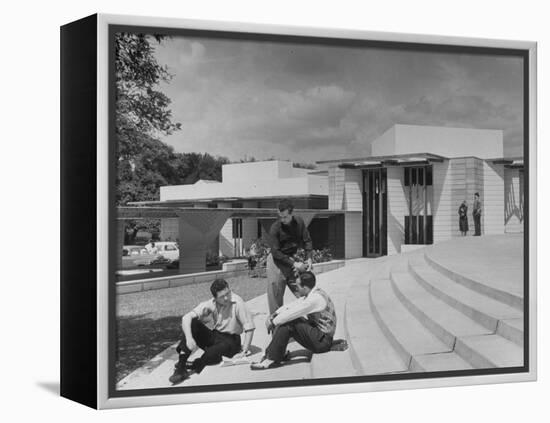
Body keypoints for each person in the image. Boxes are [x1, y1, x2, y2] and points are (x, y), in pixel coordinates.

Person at [168, 279, 255, 384]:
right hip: (216, 335)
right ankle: (181, 368)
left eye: (228, 293)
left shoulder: (237, 302)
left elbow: (249, 327)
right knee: (193, 323)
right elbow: (186, 318)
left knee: (211, 353)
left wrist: (244, 350)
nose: (226, 298)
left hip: (232, 341)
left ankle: (194, 364)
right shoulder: (211, 303)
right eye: (222, 297)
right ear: (215, 298)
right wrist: (190, 339)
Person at [251, 271, 336, 370]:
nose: (296, 289)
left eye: (298, 287)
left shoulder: (314, 299)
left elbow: (293, 313)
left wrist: (273, 322)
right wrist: (274, 315)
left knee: (290, 322)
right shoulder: (314, 292)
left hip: (322, 342)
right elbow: (293, 305)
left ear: (305, 288)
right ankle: (275, 354)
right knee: (290, 320)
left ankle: (271, 358)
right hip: (320, 337)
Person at [266, 199, 313, 315]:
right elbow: (276, 253)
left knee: (304, 292)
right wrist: (294, 264)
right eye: (280, 217)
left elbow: (307, 241)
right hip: (276, 262)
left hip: (291, 259)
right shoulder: (275, 228)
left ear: (291, 214)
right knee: (275, 300)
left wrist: (309, 258)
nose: (282, 220)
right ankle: (276, 329)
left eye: (285, 217)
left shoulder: (299, 223)